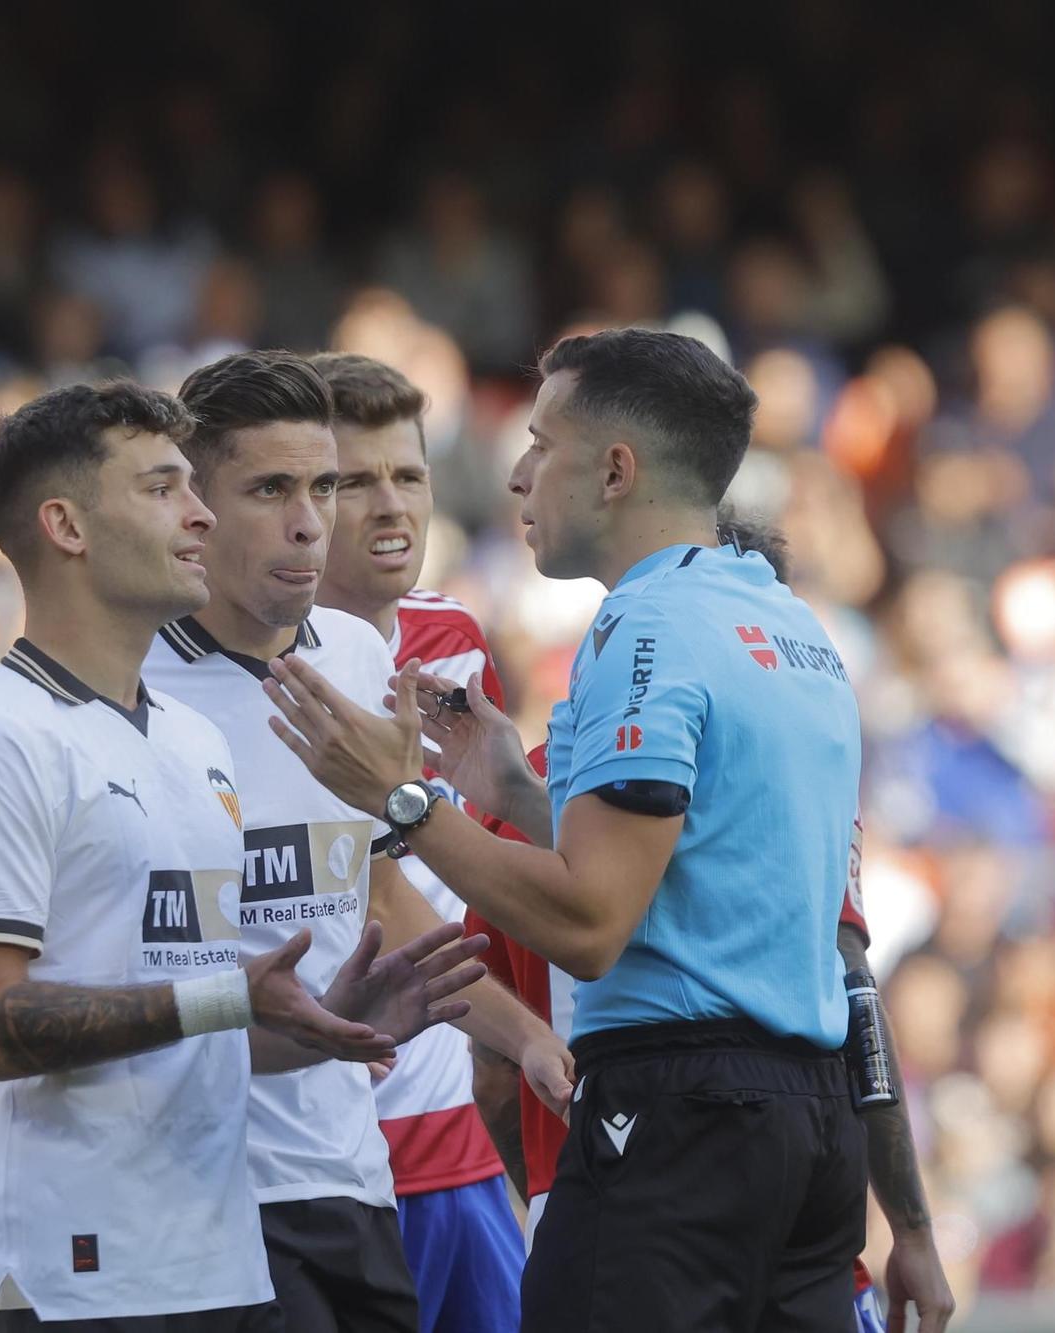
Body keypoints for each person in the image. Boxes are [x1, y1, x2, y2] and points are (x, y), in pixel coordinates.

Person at [266, 328, 872, 1331]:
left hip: (682, 1120)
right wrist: (513, 787)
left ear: (615, 470)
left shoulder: (639, 626)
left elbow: (593, 923)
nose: (516, 473)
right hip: (808, 1117)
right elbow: (692, 866)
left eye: (542, 443)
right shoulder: (781, 617)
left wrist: (402, 802)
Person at [0, 382, 487, 1332]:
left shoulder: (188, 738)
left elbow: (200, 1020)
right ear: (66, 526)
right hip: (76, 1272)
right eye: (164, 487)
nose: (201, 512)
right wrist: (227, 999)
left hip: (220, 1259)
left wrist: (322, 1024)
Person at [144, 350, 571, 1333]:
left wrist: (523, 1037)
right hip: (203, 1190)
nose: (329, 515)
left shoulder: (399, 651)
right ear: (197, 509)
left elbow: (375, 882)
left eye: (397, 478)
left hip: (370, 1169)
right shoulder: (127, 679)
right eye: (276, 489)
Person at [464, 503, 950, 1333]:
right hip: (755, 1184)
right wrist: (910, 1225)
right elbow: (855, 992)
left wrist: (550, 1191)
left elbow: (491, 1064)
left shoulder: (523, 793)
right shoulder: (782, 791)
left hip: (602, 1202)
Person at [311, 350, 524, 1333]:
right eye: (355, 482)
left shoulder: (453, 641)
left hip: (456, 1150)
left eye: (408, 475)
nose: (390, 505)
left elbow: (476, 872)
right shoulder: (264, 677)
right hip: (320, 1151)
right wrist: (536, 1043)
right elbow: (384, 904)